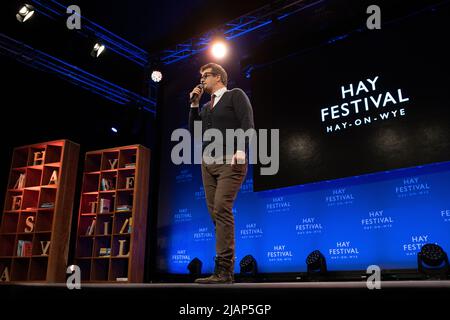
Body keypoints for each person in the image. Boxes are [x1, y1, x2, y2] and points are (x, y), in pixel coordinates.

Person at [189, 63, 254, 284]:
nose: (202, 81)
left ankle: (224, 271)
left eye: (205, 76)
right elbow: (196, 134)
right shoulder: (206, 107)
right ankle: (222, 270)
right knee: (215, 215)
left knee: (221, 208)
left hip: (230, 161)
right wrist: (194, 106)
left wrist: (242, 149)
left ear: (218, 77)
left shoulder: (235, 95)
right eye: (201, 77)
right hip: (207, 164)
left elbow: (247, 122)